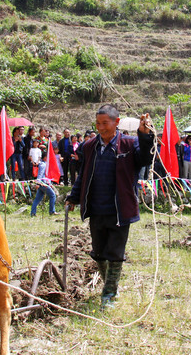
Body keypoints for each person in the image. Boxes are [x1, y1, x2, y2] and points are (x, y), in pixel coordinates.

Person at [65, 105, 154, 308]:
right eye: (98, 123)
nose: (101, 127)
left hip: (120, 209)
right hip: (96, 208)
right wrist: (73, 197)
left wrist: (143, 133)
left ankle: (109, 294)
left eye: (105, 123)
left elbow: (146, 158)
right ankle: (111, 286)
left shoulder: (130, 144)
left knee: (115, 253)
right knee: (98, 253)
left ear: (117, 122)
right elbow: (83, 177)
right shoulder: (89, 147)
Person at [31, 152, 58, 217]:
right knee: (52, 195)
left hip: (44, 183)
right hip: (43, 183)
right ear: (45, 157)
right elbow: (40, 174)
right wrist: (38, 183)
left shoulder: (44, 164)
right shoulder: (43, 164)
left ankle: (33, 212)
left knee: (37, 199)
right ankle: (52, 211)